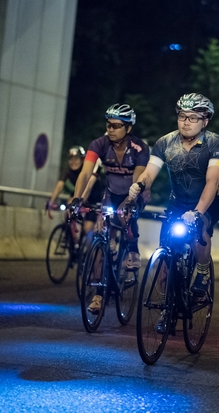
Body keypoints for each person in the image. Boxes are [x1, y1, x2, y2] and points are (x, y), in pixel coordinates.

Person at [130, 92, 219, 310]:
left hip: (209, 201)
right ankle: (168, 303)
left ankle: (202, 274)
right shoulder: (165, 142)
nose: (186, 122)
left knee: (199, 228)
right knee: (166, 253)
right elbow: (149, 173)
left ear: (205, 120)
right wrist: (139, 185)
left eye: (193, 118)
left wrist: (198, 212)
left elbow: (212, 182)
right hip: (178, 202)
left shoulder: (215, 143)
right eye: (182, 116)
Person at [70, 103, 150, 314]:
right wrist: (77, 199)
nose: (111, 129)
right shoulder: (99, 144)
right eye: (109, 125)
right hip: (111, 194)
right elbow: (85, 173)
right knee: (101, 238)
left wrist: (129, 203)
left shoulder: (140, 148)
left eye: (117, 126)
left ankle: (132, 248)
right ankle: (98, 295)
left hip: (135, 192)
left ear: (128, 128)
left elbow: (139, 178)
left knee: (125, 216)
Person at [46, 145, 102, 241]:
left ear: (82, 160)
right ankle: (71, 238)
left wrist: (80, 202)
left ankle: (87, 248)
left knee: (87, 229)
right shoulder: (68, 170)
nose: (73, 162)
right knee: (68, 208)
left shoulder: (86, 169)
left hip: (93, 197)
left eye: (76, 159)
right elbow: (60, 185)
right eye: (71, 159)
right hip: (78, 194)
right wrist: (51, 201)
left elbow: (88, 187)